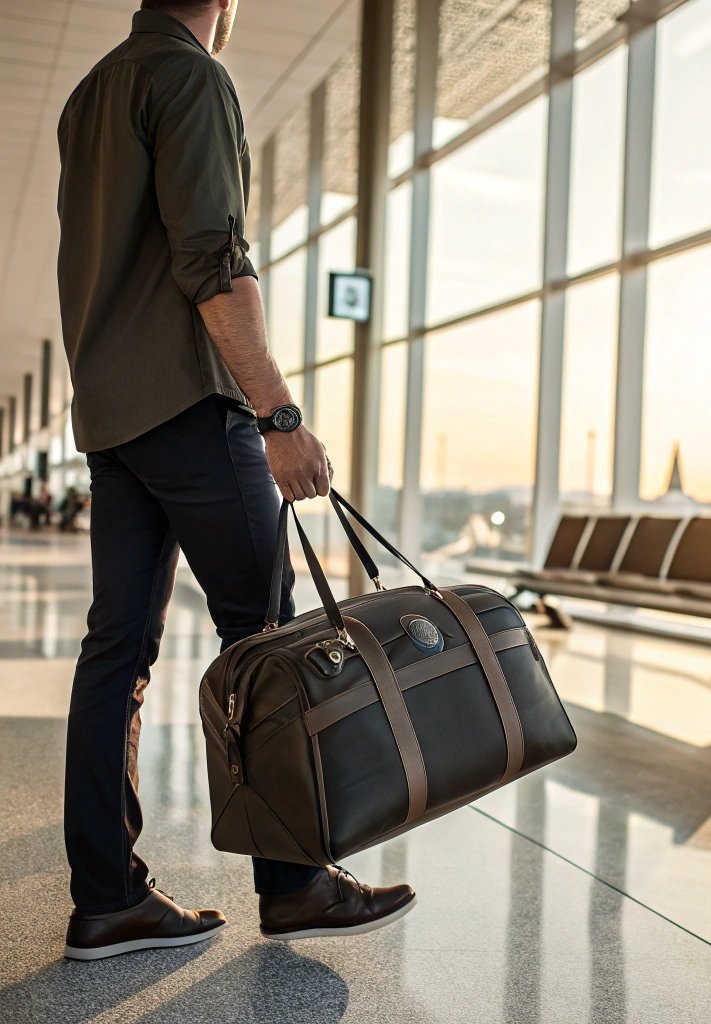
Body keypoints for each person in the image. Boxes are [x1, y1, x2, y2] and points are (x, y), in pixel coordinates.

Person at [56, 0, 414, 961]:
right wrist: (279, 416)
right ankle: (294, 885)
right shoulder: (190, 77)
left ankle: (105, 898)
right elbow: (213, 259)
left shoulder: (92, 94)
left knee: (116, 653)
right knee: (267, 639)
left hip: (114, 413)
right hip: (187, 403)